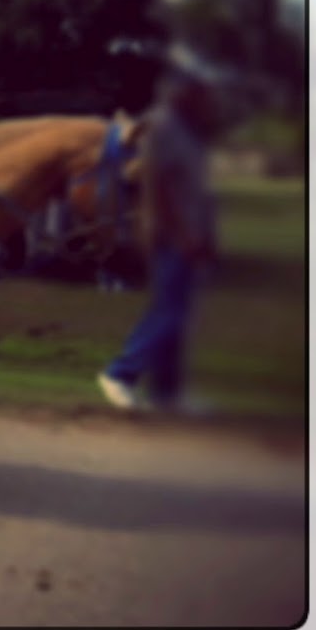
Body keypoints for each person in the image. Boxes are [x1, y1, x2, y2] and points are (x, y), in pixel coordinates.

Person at [96, 47, 223, 413]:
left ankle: (167, 395)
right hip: (171, 236)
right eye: (202, 92)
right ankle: (120, 374)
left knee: (178, 313)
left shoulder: (190, 132)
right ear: (185, 91)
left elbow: (198, 191)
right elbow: (160, 187)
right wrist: (184, 235)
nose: (208, 100)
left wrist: (206, 237)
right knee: (169, 312)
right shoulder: (165, 126)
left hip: (190, 235)